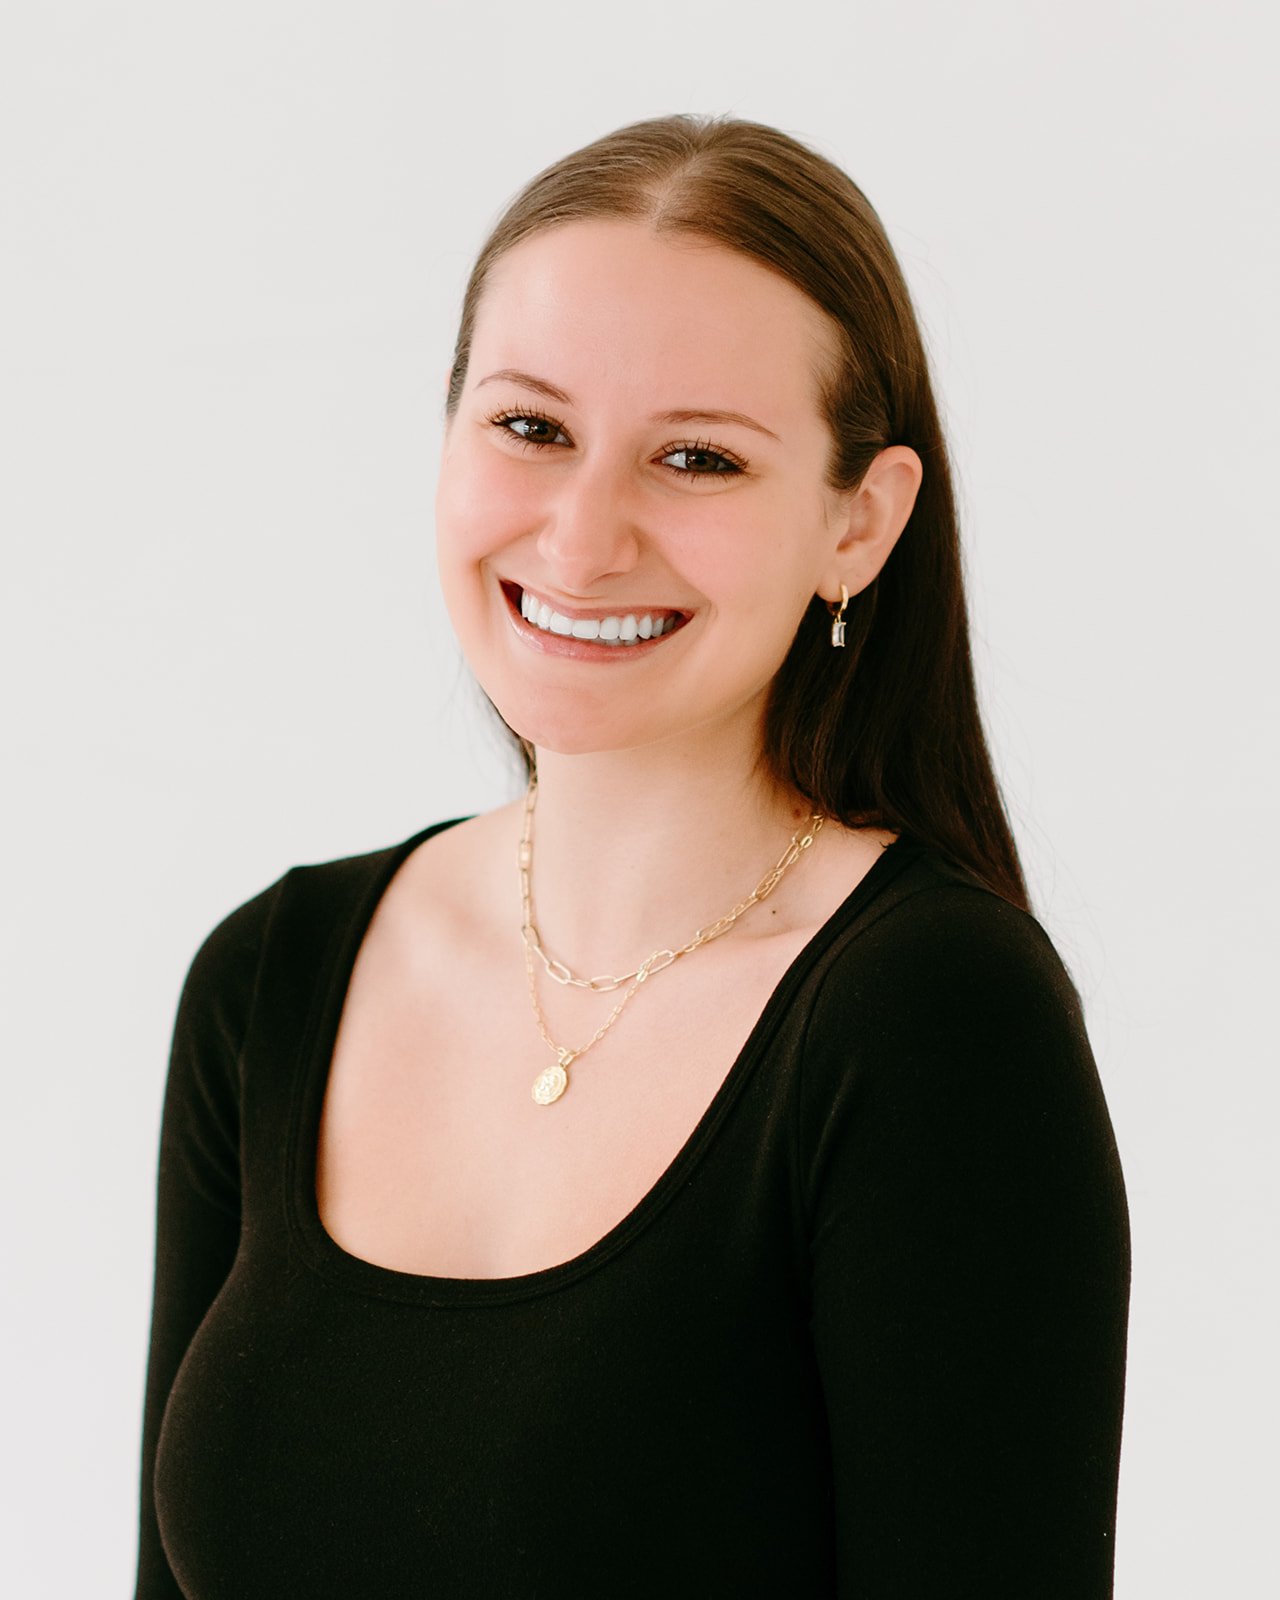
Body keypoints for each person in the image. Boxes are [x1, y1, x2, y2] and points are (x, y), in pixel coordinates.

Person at [134, 113, 1131, 1598]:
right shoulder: (272, 980)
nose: (585, 537)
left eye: (698, 459)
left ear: (860, 522)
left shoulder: (929, 1021)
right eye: (530, 428)